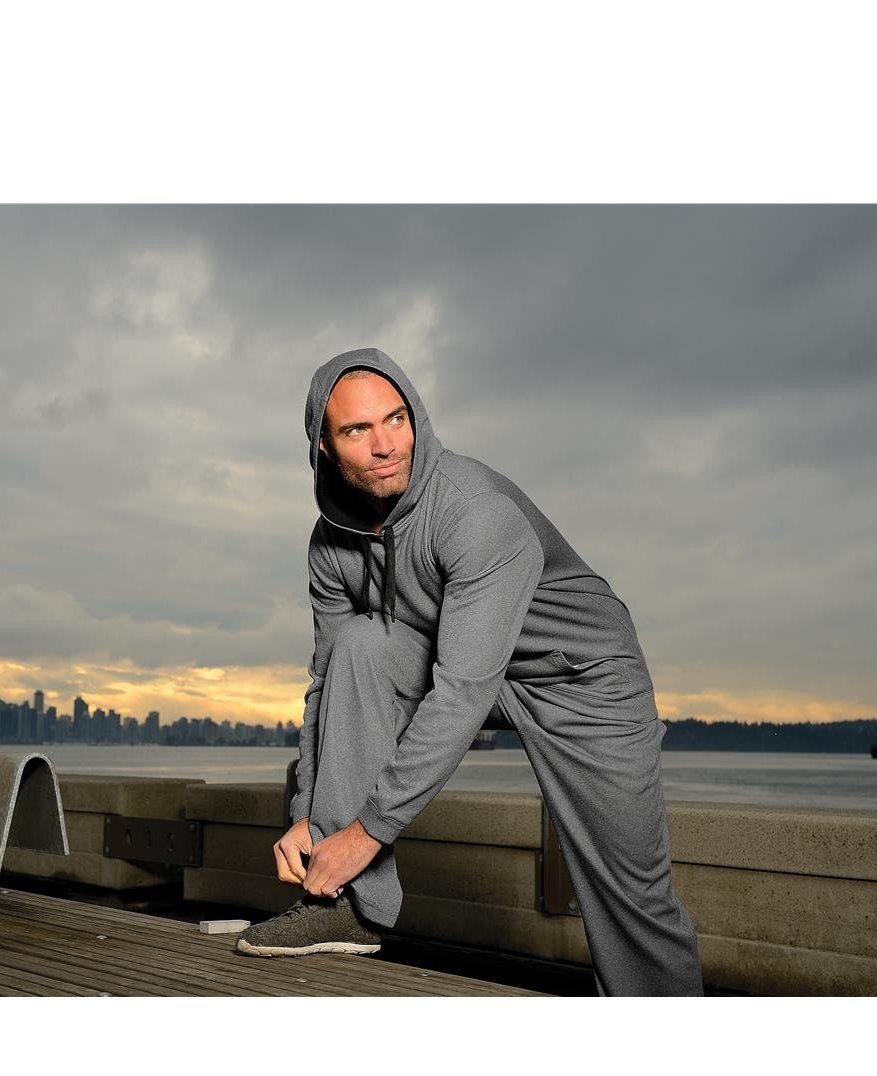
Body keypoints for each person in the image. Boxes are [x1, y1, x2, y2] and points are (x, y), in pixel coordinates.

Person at [235, 347, 704, 996]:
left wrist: (369, 831)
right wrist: (309, 818)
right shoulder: (330, 544)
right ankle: (340, 905)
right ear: (322, 445)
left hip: (581, 679)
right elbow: (326, 685)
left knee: (634, 902)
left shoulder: (475, 513)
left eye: (396, 420)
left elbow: (460, 693)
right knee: (361, 647)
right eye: (357, 430)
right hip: (452, 656)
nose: (384, 445)